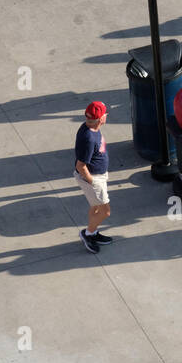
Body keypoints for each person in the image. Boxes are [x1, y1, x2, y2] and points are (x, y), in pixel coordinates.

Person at [75, 100, 113, 253]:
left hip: (98, 176)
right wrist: (92, 182)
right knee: (106, 211)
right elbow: (80, 165)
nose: (106, 115)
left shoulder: (90, 128)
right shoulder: (88, 138)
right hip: (93, 178)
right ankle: (88, 234)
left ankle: (93, 232)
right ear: (100, 119)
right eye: (105, 113)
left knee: (95, 207)